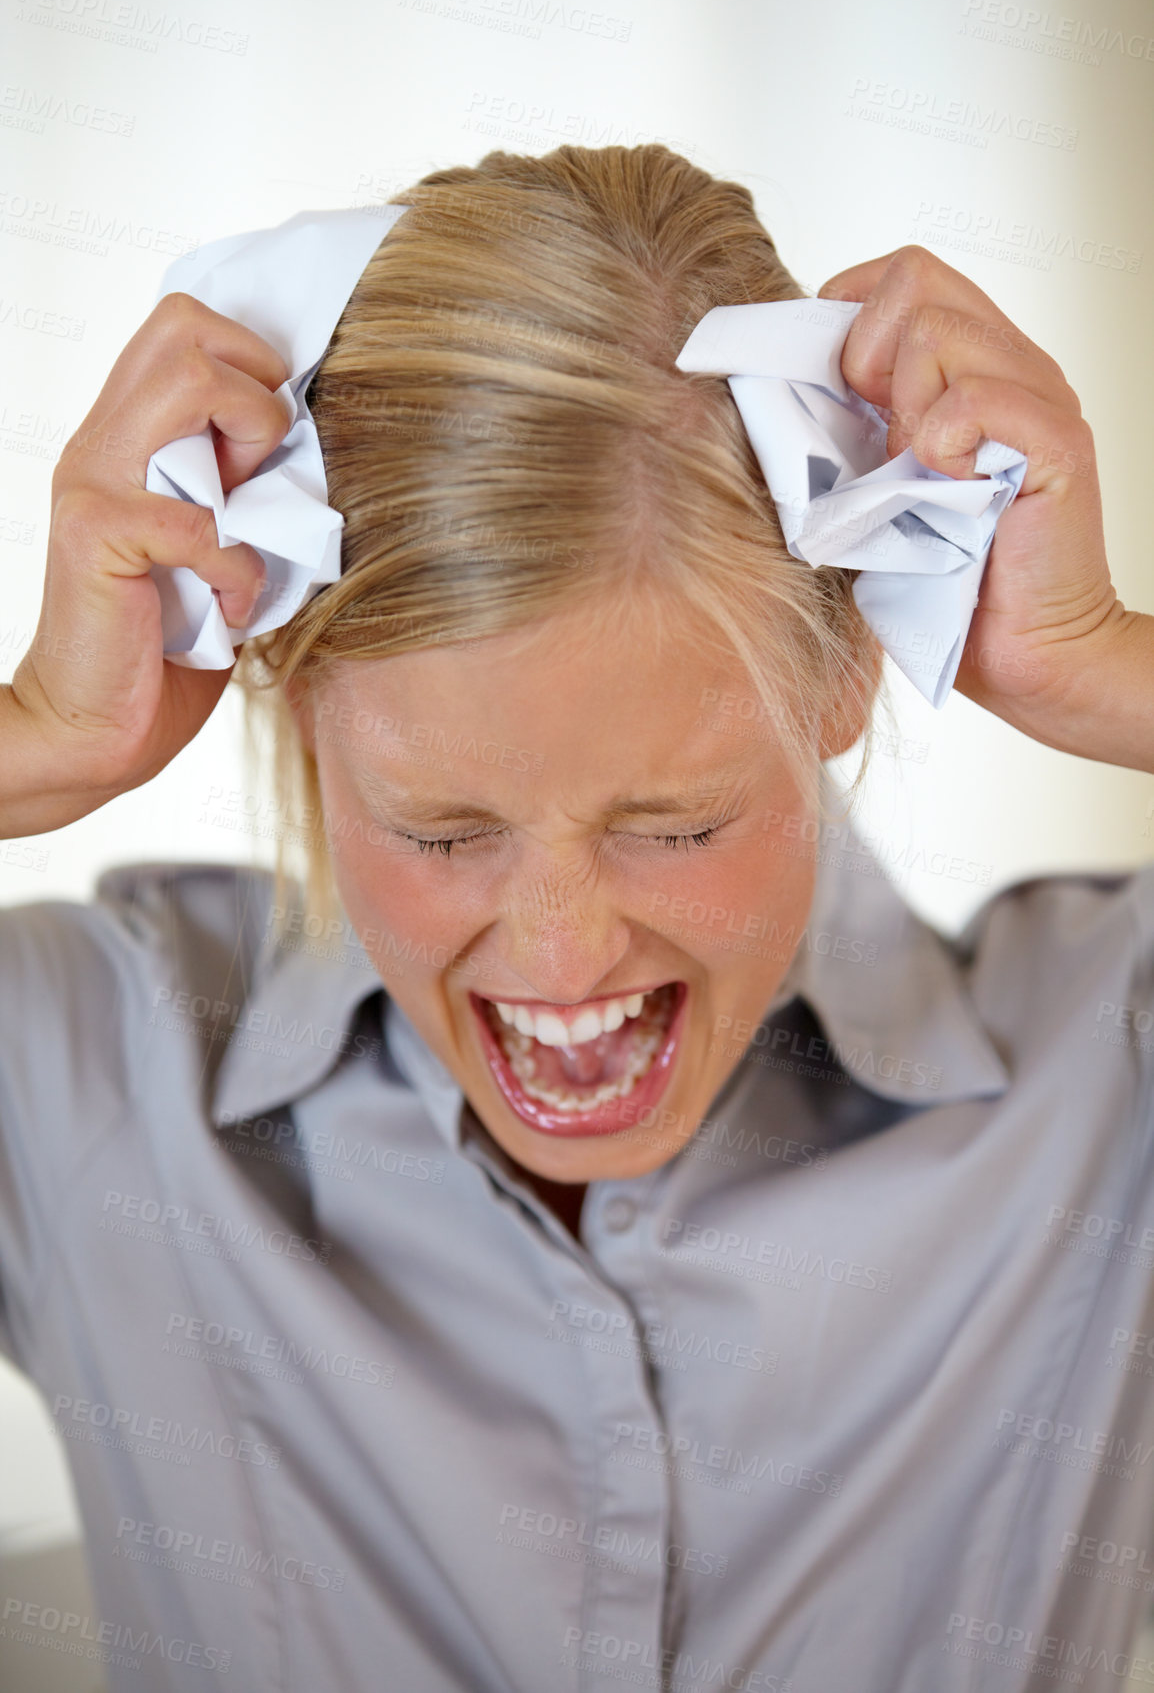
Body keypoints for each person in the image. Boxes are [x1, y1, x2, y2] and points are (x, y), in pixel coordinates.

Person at [0, 143, 1151, 1692]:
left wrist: (1103, 659)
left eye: (672, 825)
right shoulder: (83, 1074)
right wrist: (38, 734)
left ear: (846, 676)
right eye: (441, 830)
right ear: (289, 704)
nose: (558, 953)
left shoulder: (1106, 1079)